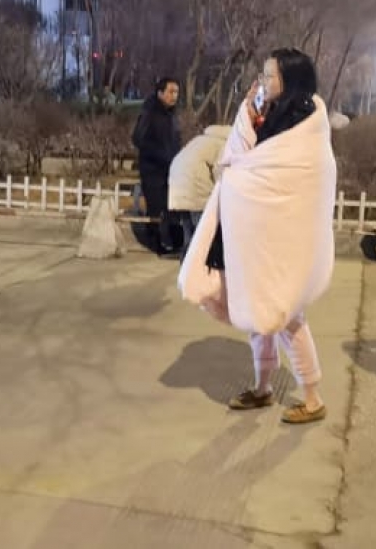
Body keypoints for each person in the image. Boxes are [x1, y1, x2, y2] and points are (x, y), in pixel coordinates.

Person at [179, 49, 337, 425]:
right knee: (255, 309)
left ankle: (312, 397)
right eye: (264, 74)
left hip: (282, 237)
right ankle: (263, 386)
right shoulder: (270, 112)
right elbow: (239, 156)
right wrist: (248, 114)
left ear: (290, 80)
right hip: (254, 232)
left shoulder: (305, 122)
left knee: (287, 315)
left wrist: (246, 179)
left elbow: (282, 173)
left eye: (270, 76)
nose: (263, 82)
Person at [132, 77, 182, 256]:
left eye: (176, 92)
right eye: (170, 92)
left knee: (174, 207)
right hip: (153, 171)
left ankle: (176, 243)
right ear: (160, 93)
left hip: (171, 169)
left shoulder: (172, 115)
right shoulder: (150, 112)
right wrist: (160, 155)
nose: (174, 96)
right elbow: (138, 138)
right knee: (156, 209)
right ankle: (156, 244)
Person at [168, 124, 231, 256]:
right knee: (202, 234)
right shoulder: (224, 144)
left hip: (177, 187)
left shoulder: (200, 139)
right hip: (196, 189)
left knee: (188, 234)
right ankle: (201, 264)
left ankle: (186, 264)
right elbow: (219, 170)